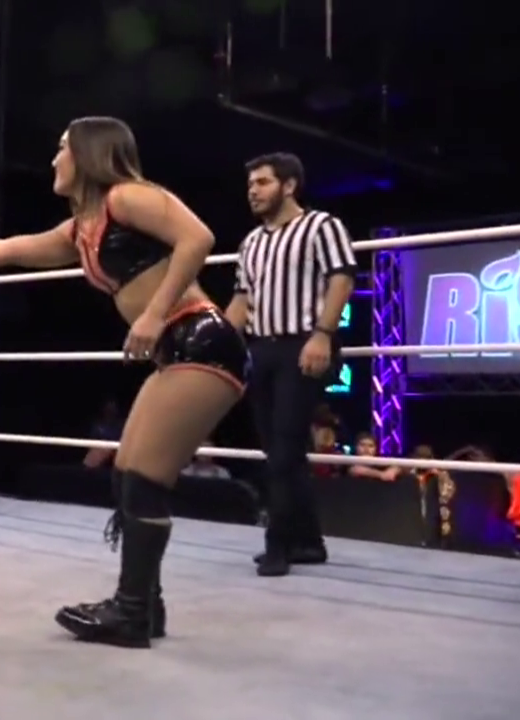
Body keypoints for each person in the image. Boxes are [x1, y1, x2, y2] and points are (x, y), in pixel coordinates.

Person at [0, 116, 247, 648]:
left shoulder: (127, 198)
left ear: (88, 153)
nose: (55, 158)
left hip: (202, 340)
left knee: (143, 477)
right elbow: (13, 248)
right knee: (127, 473)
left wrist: (153, 314)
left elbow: (198, 238)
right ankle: (144, 604)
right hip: (177, 350)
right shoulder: (82, 228)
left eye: (63, 148)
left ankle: (132, 612)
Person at [224, 152, 356, 577]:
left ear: (289, 185)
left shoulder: (321, 226)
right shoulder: (251, 242)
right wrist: (219, 345)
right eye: (250, 184)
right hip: (261, 349)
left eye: (262, 182)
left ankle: (277, 544)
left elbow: (342, 279)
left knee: (283, 448)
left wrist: (323, 334)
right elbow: (242, 300)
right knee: (279, 450)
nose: (253, 191)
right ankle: (309, 542)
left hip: (303, 343)